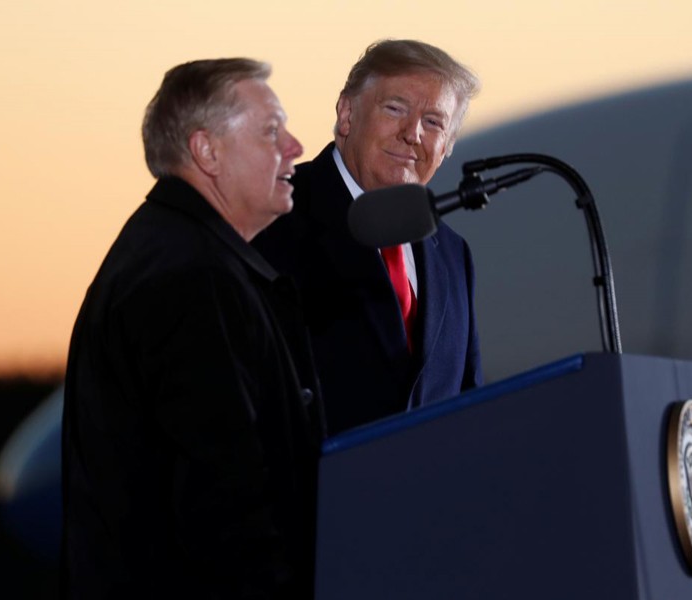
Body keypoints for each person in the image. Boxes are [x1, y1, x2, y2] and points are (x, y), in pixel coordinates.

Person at [61, 58, 325, 599]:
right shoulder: (194, 277)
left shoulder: (170, 254)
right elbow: (224, 503)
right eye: (271, 130)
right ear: (207, 151)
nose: (296, 146)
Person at [253, 39, 482, 435]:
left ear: (447, 147)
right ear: (346, 113)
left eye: (433, 122)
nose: (412, 133)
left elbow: (467, 405)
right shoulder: (272, 214)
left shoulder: (452, 252)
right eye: (395, 109)